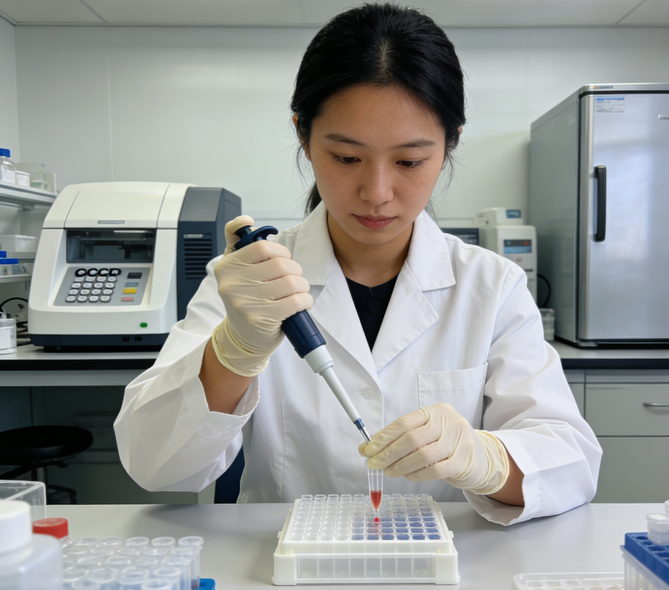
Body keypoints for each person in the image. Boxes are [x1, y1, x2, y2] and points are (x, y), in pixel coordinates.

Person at [114, 2, 601, 525]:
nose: (377, 192)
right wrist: (233, 352)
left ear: (450, 142)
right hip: (284, 558)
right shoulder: (249, 284)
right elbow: (155, 465)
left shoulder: (490, 284)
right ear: (304, 136)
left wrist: (486, 459)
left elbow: (571, 464)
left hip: (447, 560)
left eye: (410, 161)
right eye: (346, 158)